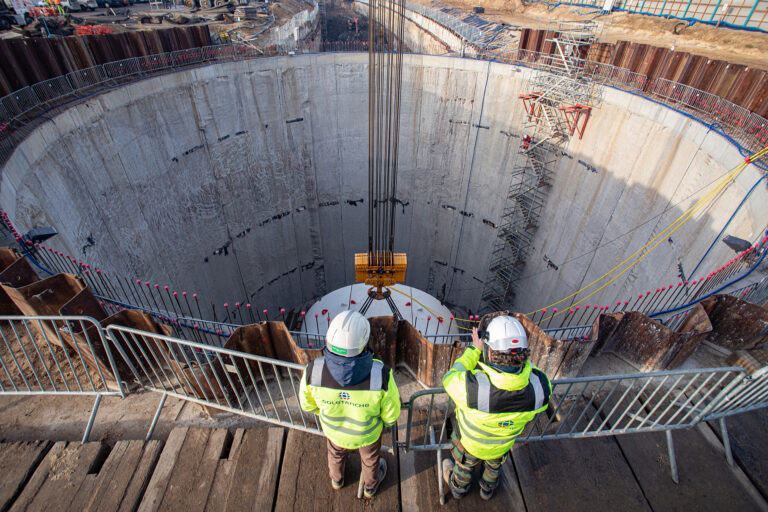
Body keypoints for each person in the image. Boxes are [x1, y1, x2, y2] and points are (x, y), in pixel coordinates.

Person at [442, 315, 551, 500]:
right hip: (501, 445)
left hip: (471, 443)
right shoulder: (539, 387)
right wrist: (519, 361)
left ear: (490, 354)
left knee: (464, 466)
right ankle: (487, 489)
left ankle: (459, 489)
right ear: (524, 353)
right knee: (494, 467)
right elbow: (533, 371)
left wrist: (474, 351)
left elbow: (450, 378)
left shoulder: (474, 388)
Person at [299, 310, 401, 499]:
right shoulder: (381, 375)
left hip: (334, 431)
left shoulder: (314, 371)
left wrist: (328, 412)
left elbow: (307, 405)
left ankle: (337, 480)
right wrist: (382, 423)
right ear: (364, 343)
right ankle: (370, 488)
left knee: (335, 454)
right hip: (367, 433)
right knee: (370, 460)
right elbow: (391, 415)